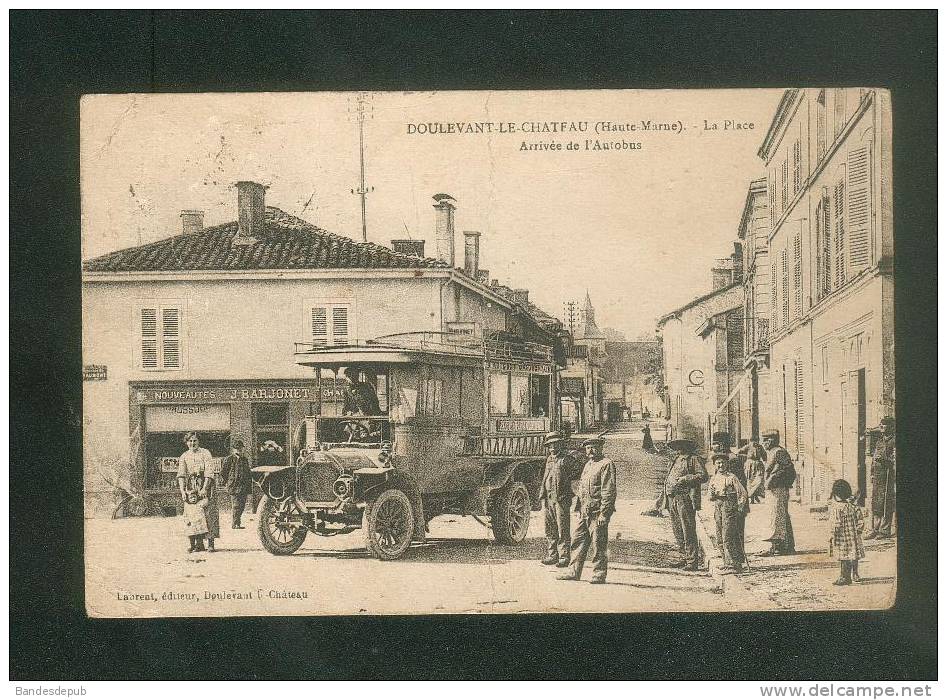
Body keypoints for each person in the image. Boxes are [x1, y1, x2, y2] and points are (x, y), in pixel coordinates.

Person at [557, 437, 617, 584]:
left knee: (598, 544)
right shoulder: (588, 464)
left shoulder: (606, 464)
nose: (590, 450)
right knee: (577, 541)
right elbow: (582, 488)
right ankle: (573, 571)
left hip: (597, 512)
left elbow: (608, 490)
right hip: (584, 511)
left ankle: (599, 574)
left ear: (601, 448)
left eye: (594, 447)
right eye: (588, 448)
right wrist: (578, 507)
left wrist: (604, 513)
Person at [662, 438, 708, 571]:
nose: (678, 448)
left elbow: (703, 476)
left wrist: (686, 478)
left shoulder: (693, 459)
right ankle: (684, 557)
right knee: (678, 530)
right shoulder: (676, 459)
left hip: (685, 497)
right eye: (676, 446)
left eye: (681, 445)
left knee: (687, 529)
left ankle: (692, 561)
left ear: (687, 446)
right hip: (672, 497)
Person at [539, 431, 579, 567]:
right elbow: (545, 477)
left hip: (561, 499)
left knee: (563, 529)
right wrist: (542, 494)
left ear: (561, 445)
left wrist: (569, 490)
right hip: (549, 499)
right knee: (550, 529)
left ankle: (564, 557)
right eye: (550, 446)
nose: (553, 448)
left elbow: (577, 475)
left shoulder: (567, 460)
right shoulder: (549, 459)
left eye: (555, 445)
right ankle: (552, 555)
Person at [176, 432, 220, 553]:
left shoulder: (205, 453)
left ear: (198, 441)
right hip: (191, 486)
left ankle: (211, 543)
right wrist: (182, 491)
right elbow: (181, 475)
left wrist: (205, 488)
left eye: (195, 441)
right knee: (193, 514)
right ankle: (198, 544)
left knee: (208, 513)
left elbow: (209, 472)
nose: (192, 443)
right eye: (190, 441)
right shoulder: (184, 456)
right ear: (186, 443)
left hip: (206, 483)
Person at [708, 452, 750, 573]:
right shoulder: (714, 478)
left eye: (723, 463)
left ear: (727, 464)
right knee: (719, 536)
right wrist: (712, 494)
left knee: (728, 535)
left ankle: (734, 564)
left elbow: (742, 494)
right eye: (718, 463)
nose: (721, 465)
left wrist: (740, 508)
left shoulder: (732, 477)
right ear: (715, 465)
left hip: (729, 507)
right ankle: (726, 562)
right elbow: (709, 497)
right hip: (718, 507)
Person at [760, 429, 796, 556]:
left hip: (779, 488)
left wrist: (773, 479)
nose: (763, 443)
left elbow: (788, 469)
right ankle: (780, 546)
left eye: (765, 440)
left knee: (778, 516)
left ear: (771, 440)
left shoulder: (779, 452)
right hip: (773, 489)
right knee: (776, 516)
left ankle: (781, 547)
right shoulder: (771, 452)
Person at [828, 479, 866, 586]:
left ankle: (844, 577)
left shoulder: (836, 508)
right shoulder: (853, 507)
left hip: (842, 538)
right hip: (853, 537)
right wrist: (857, 531)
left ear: (836, 494)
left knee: (843, 557)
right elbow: (861, 521)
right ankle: (855, 573)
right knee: (854, 556)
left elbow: (836, 524)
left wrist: (832, 535)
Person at [866, 416, 896, 539]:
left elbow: (894, 459)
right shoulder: (879, 441)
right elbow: (873, 459)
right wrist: (872, 473)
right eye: (881, 424)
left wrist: (885, 460)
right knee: (876, 503)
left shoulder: (894, 441)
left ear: (891, 427)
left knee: (886, 502)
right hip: (878, 476)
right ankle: (875, 529)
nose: (882, 426)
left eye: (884, 424)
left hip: (888, 476)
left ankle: (884, 531)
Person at [220, 438, 251, 529]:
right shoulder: (229, 459)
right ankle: (235, 524)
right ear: (233, 449)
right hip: (234, 486)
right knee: (236, 506)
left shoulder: (244, 459)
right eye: (237, 448)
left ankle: (238, 522)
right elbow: (223, 473)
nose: (239, 450)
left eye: (240, 448)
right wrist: (227, 483)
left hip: (243, 486)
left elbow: (247, 472)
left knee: (242, 506)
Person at [740, 440, 767, 504]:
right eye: (753, 441)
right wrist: (745, 456)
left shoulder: (760, 447)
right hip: (749, 465)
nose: (754, 443)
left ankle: (751, 495)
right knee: (750, 481)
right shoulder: (748, 446)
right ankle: (752, 498)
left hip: (758, 465)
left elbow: (764, 457)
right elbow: (739, 451)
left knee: (759, 480)